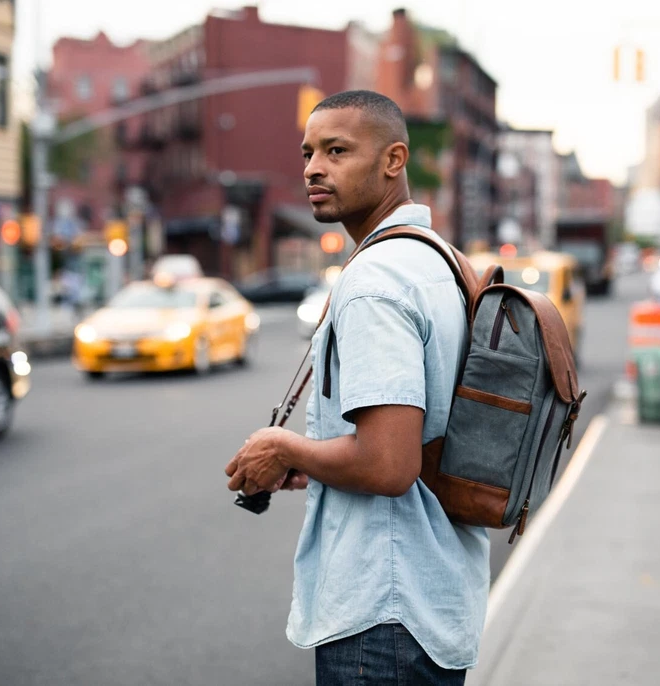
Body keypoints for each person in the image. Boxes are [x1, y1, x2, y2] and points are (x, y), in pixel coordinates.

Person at [224, 90, 486, 684]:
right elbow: (412, 437)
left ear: (394, 160)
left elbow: (388, 463)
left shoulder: (376, 281)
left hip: (382, 610)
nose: (314, 167)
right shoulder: (437, 259)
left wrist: (285, 448)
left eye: (337, 150)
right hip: (433, 595)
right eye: (309, 152)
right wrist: (319, 462)